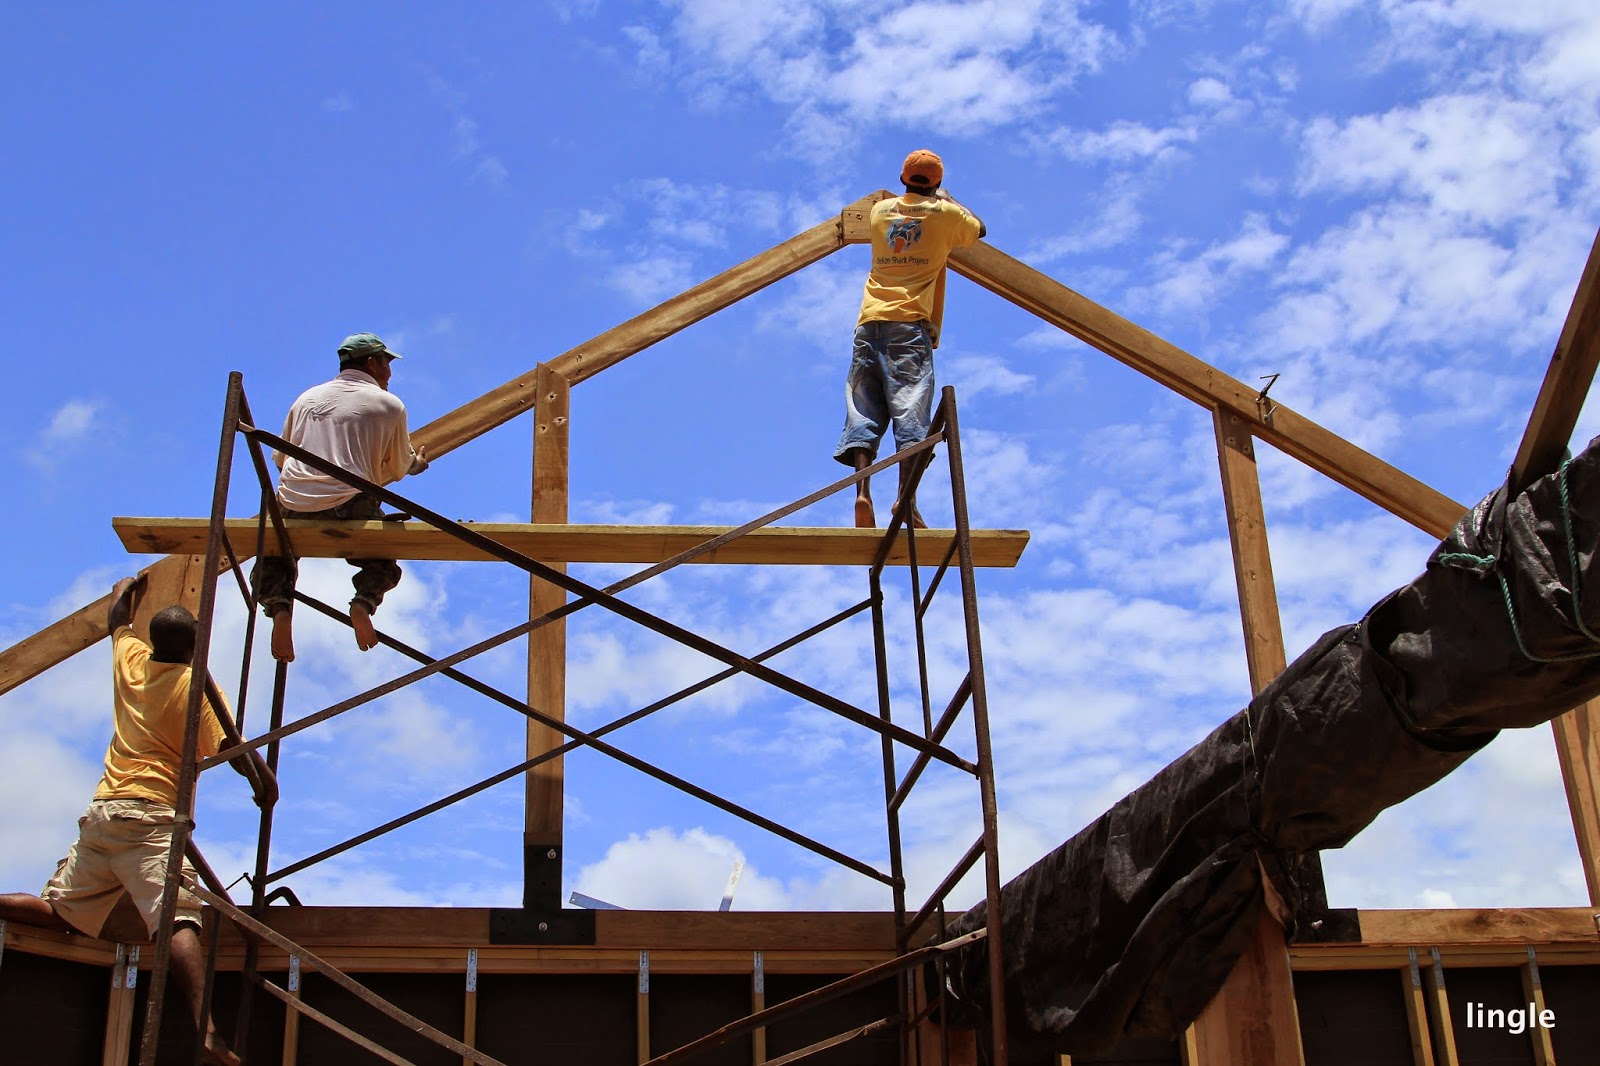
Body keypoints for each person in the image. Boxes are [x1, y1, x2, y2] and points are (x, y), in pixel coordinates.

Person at [0, 575, 277, 1066]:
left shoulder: (131, 662)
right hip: (151, 817)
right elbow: (232, 751)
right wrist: (264, 783)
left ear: (154, 642)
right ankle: (207, 1029)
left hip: (104, 813)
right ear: (194, 647)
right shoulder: (195, 688)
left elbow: (116, 620)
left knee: (63, 913)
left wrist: (125, 587)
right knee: (177, 916)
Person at [252, 332, 429, 661]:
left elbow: (281, 460)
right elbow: (400, 467)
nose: (390, 374)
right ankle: (363, 602)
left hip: (292, 499)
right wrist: (418, 464)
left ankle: (279, 608)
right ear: (372, 363)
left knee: (272, 555)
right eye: (387, 364)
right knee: (383, 561)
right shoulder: (389, 405)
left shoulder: (306, 399)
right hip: (350, 502)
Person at [834, 148, 986, 528]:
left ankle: (862, 493)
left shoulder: (880, 212)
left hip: (869, 324)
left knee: (863, 411)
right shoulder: (947, 215)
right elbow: (978, 229)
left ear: (903, 178)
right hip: (908, 328)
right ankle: (905, 501)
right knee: (911, 415)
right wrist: (948, 199)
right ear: (935, 183)